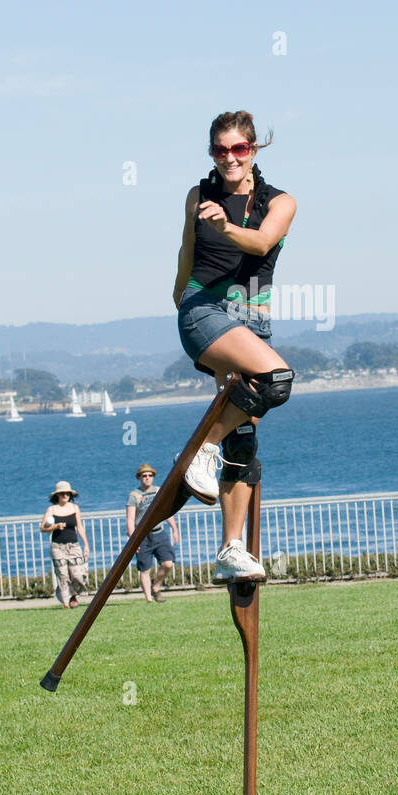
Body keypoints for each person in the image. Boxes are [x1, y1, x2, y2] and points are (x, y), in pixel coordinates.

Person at [173, 111, 297, 583]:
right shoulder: (197, 196)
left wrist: (225, 226)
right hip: (205, 310)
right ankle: (200, 452)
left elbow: (262, 243)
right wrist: (179, 298)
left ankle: (229, 549)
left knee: (243, 439)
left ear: (254, 151)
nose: (229, 158)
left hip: (252, 324)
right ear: (211, 152)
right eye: (220, 150)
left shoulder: (280, 202)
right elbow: (187, 249)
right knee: (277, 378)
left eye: (238, 149)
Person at [126, 464, 180, 602]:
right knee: (145, 569)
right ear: (139, 478)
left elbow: (166, 512)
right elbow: (130, 519)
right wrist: (133, 540)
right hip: (142, 536)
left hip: (159, 533)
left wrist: (174, 529)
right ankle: (149, 599)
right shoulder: (134, 496)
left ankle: (155, 587)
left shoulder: (158, 491)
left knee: (168, 563)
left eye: (150, 475)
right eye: (144, 475)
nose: (147, 478)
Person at [40, 481, 90, 608]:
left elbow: (80, 527)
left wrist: (86, 544)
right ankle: (66, 602)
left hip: (73, 545)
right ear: (57, 495)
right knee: (63, 575)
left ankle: (73, 595)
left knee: (78, 574)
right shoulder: (52, 510)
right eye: (62, 493)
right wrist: (55, 526)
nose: (65, 495)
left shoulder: (74, 508)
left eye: (67, 493)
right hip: (57, 546)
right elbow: (42, 527)